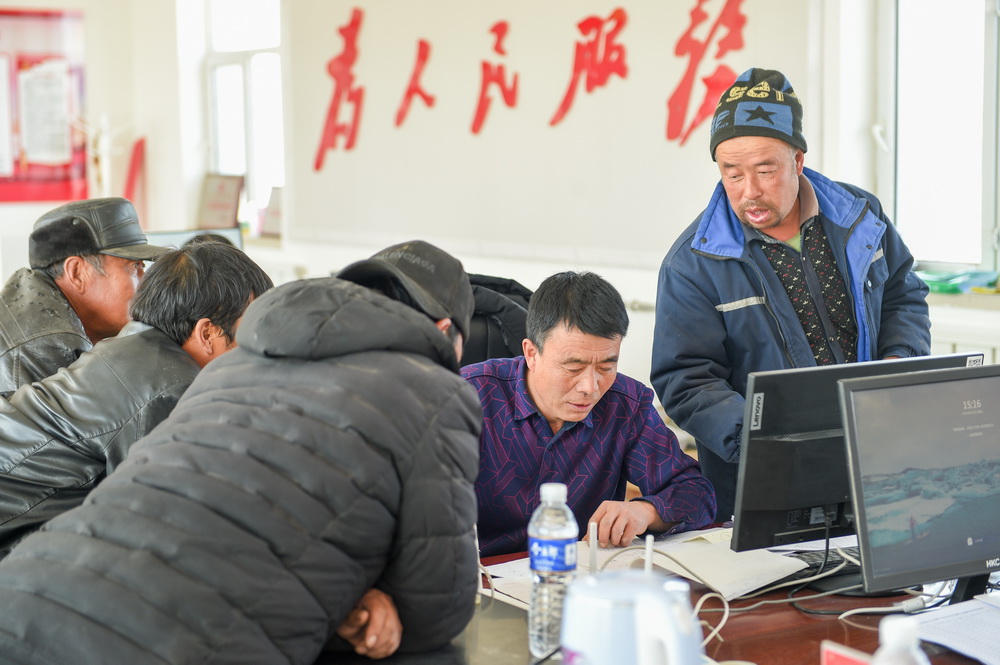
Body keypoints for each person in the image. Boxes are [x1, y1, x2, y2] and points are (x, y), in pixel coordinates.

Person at [0, 240, 481, 663]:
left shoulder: (227, 369)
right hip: (168, 640)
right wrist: (348, 610)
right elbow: (436, 605)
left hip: (26, 591)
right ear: (443, 331)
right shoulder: (435, 392)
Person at [651, 68, 931, 521]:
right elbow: (686, 381)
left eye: (766, 170)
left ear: (797, 161)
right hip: (765, 482)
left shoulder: (859, 217)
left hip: (877, 455)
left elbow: (902, 293)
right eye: (732, 173)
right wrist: (762, 440)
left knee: (890, 582)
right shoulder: (694, 263)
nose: (750, 192)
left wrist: (898, 364)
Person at [0, 241, 273, 555]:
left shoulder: (135, 339)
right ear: (208, 333)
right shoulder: (167, 389)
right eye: (249, 336)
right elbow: (162, 518)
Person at [464, 271, 716, 558]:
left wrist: (644, 511)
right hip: (480, 581)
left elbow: (697, 494)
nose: (590, 387)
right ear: (531, 353)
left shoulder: (626, 405)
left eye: (606, 367)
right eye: (573, 367)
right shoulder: (467, 396)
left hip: (582, 576)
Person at [0, 197, 170, 397]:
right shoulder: (48, 345)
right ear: (77, 273)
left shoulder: (35, 300)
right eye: (133, 267)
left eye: (143, 267)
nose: (145, 283)